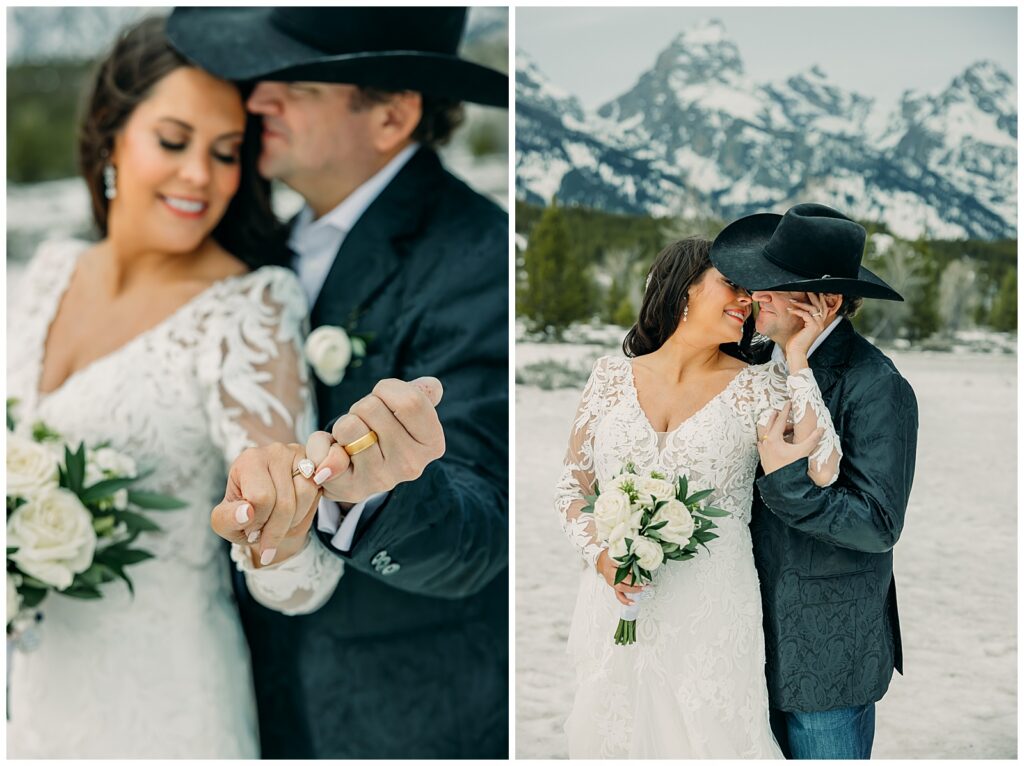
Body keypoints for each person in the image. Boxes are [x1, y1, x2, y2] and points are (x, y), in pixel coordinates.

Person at [166, 7, 509, 758]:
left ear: (390, 115)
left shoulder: (479, 256)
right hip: (241, 698)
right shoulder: (254, 242)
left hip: (406, 720)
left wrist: (384, 487)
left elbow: (485, 527)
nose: (255, 100)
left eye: (294, 84)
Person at [6, 16, 341, 758]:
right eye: (173, 140)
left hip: (167, 707)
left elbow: (300, 582)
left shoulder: (250, 306)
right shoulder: (51, 271)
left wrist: (277, 530)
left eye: (227, 153)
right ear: (110, 135)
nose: (201, 175)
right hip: (35, 698)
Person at [555, 236, 844, 757]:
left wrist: (797, 357)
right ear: (682, 289)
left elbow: (823, 469)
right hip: (617, 597)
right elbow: (573, 488)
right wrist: (602, 557)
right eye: (731, 284)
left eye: (751, 291)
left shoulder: (761, 384)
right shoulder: (609, 377)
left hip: (712, 607)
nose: (747, 300)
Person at [710, 202, 918, 759]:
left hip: (827, 652)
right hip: (740, 636)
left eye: (774, 287)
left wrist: (789, 485)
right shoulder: (752, 359)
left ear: (822, 303)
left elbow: (877, 525)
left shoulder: (878, 386)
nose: (755, 294)